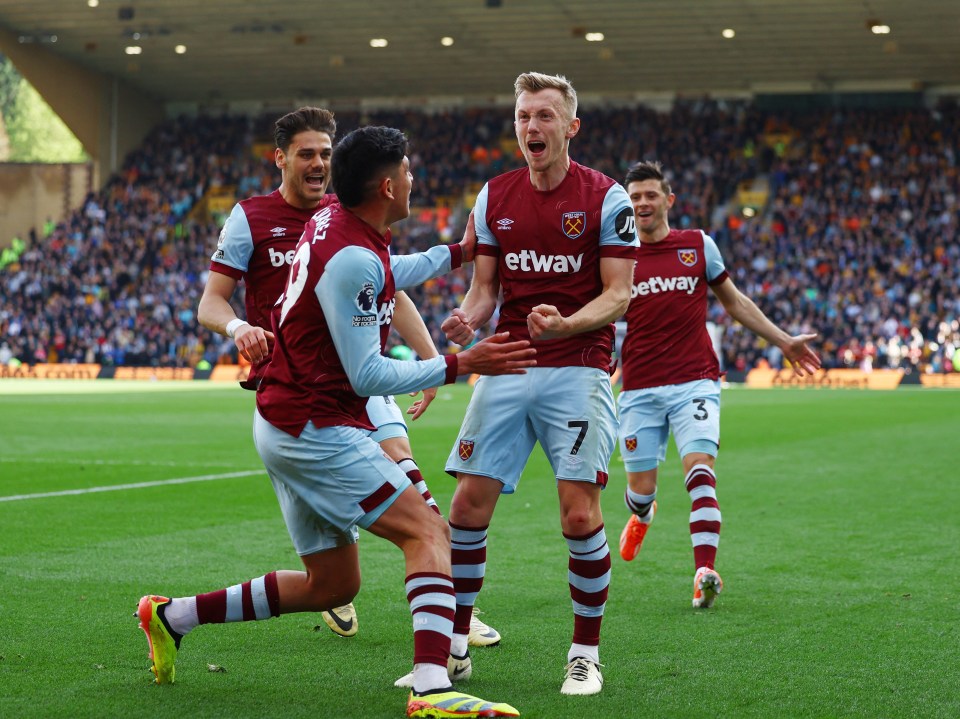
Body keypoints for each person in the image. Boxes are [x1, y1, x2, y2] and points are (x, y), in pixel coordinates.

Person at [138, 125, 536, 718]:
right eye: (406, 172)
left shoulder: (341, 227)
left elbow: (387, 270)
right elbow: (367, 377)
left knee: (332, 586)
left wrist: (456, 253)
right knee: (428, 532)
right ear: (386, 184)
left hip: (285, 418)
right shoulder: (350, 253)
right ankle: (432, 690)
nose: (412, 181)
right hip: (314, 426)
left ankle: (173, 617)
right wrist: (457, 365)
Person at [196, 107, 501, 647]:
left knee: (409, 488)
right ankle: (435, 662)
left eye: (325, 154)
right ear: (281, 159)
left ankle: (446, 605)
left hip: (328, 390)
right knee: (404, 536)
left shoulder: (340, 214)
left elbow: (386, 282)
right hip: (312, 392)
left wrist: (452, 264)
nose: (317, 163)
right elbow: (212, 301)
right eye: (306, 154)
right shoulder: (255, 218)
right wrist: (456, 365)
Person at [428, 72, 639, 697]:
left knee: (578, 516)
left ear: (570, 127)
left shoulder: (608, 198)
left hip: (577, 367)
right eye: (523, 117)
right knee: (466, 506)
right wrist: (468, 319)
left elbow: (620, 295)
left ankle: (584, 653)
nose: (531, 128)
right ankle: (457, 646)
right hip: (508, 362)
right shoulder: (494, 196)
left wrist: (567, 323)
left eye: (544, 116)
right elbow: (486, 289)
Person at [615, 160, 821, 608]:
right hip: (639, 388)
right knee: (639, 491)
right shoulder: (619, 258)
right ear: (627, 208)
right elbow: (605, 319)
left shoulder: (696, 246)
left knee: (700, 471)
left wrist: (783, 340)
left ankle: (704, 571)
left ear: (668, 200)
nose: (643, 203)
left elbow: (735, 302)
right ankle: (643, 513)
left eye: (651, 194)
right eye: (635, 198)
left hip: (695, 380)